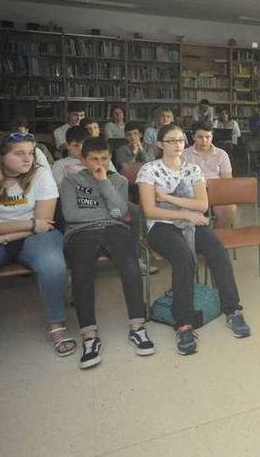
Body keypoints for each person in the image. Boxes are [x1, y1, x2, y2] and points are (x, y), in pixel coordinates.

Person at [137, 124, 251, 356]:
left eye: (180, 140)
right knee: (183, 257)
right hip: (161, 226)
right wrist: (186, 213)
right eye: (171, 141)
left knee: (217, 250)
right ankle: (184, 323)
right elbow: (150, 210)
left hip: (190, 223)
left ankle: (233, 310)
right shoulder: (149, 170)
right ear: (160, 144)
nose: (178, 144)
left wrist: (168, 198)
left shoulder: (193, 169)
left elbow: (203, 205)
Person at [60, 137, 154, 369]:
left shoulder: (118, 180)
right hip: (81, 232)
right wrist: (107, 213)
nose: (99, 164)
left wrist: (103, 183)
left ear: (109, 158)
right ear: (83, 160)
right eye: (94, 159)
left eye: (104, 158)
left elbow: (121, 211)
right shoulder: (71, 180)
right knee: (82, 273)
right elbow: (71, 214)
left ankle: (137, 327)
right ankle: (89, 336)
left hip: (115, 229)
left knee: (131, 267)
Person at [0, 131, 73, 357]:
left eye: (31, 153)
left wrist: (1, 236)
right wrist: (29, 224)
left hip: (33, 237)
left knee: (53, 265)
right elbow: (35, 223)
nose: (28, 159)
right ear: (0, 156)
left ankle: (57, 325)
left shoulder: (41, 174)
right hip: (9, 235)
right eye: (19, 154)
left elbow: (44, 222)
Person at [182, 122, 236, 229]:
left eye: (208, 137)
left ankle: (215, 236)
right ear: (193, 137)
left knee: (230, 209)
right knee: (187, 212)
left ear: (212, 137)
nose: (204, 140)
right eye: (200, 137)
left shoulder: (222, 154)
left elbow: (227, 179)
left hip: (217, 191)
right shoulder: (184, 155)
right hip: (193, 192)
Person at [52, 125, 118, 187]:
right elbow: (60, 188)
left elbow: (116, 180)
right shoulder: (59, 165)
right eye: (76, 145)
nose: (80, 149)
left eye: (83, 144)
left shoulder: (101, 159)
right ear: (68, 146)